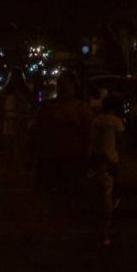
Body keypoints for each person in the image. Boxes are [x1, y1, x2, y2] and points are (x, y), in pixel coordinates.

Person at [31, 75, 93, 221]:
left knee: (70, 188)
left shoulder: (81, 108)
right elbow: (36, 131)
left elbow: (89, 134)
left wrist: (87, 154)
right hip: (50, 155)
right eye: (61, 85)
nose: (63, 88)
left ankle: (68, 213)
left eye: (67, 85)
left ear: (73, 88)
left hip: (72, 155)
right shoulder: (47, 107)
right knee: (50, 188)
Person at [90, 94, 127, 217]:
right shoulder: (116, 121)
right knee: (116, 181)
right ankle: (113, 206)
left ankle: (96, 205)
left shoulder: (96, 120)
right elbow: (120, 139)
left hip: (96, 154)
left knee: (98, 180)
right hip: (111, 155)